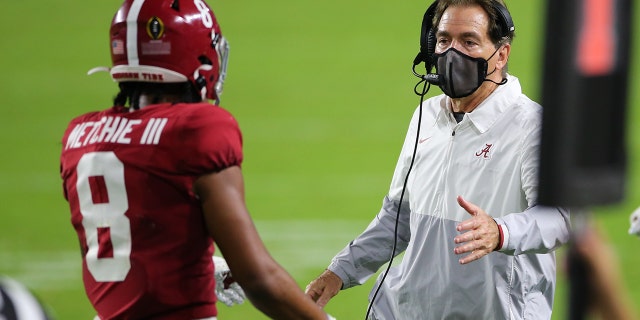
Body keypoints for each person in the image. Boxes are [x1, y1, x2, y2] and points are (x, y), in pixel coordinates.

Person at [59, 0, 331, 319]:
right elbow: (259, 280)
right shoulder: (196, 129)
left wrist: (191, 266)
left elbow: (113, 248)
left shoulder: (81, 135)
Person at [305, 0, 571, 319]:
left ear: (501, 54)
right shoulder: (427, 115)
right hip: (405, 310)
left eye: (469, 41)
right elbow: (398, 216)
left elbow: (559, 218)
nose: (451, 53)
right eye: (444, 40)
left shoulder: (532, 125)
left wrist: (501, 232)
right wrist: (340, 272)